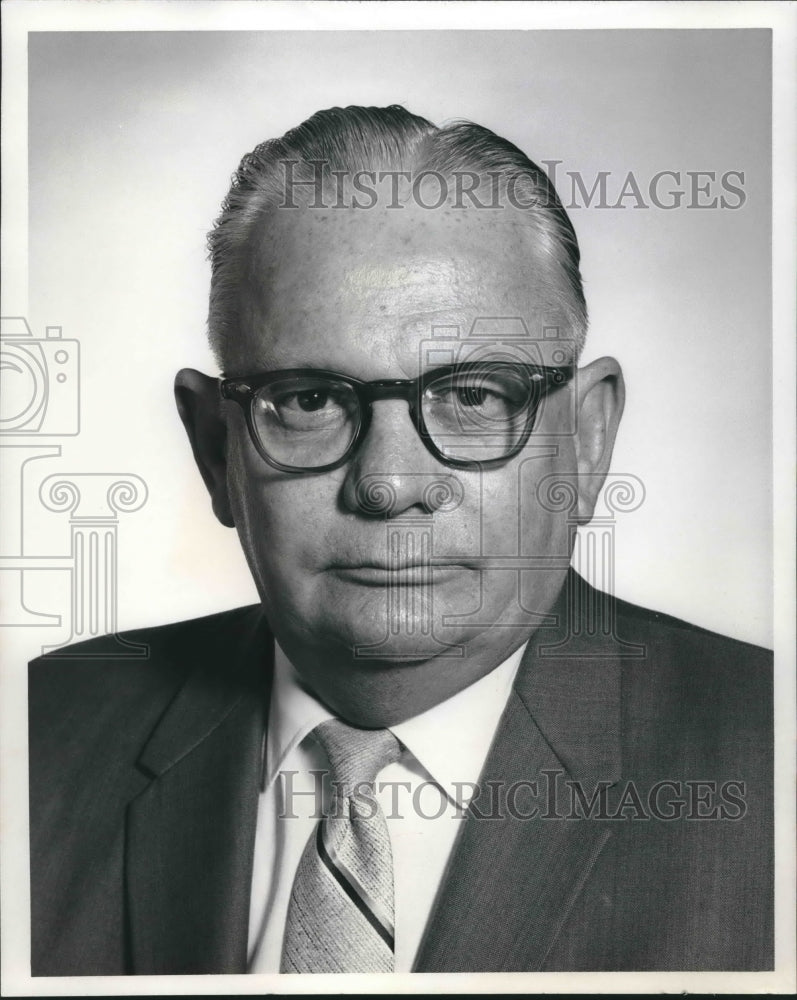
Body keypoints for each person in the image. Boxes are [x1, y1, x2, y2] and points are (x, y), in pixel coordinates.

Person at [28, 105, 772, 976]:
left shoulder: (767, 757)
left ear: (587, 438)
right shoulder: (33, 744)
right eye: (307, 400)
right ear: (215, 449)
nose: (387, 483)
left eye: (473, 397)